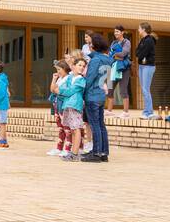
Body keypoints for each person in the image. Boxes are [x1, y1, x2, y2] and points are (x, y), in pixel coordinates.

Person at [82, 31, 112, 162]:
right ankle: (104, 153)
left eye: (89, 43)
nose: (88, 46)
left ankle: (96, 153)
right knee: (100, 125)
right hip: (101, 95)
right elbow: (109, 81)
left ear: (94, 46)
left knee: (95, 125)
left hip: (92, 96)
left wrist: (82, 94)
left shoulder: (95, 60)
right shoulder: (108, 60)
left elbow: (89, 79)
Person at [56, 55, 88, 161]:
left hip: (75, 106)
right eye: (79, 65)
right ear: (73, 66)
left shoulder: (81, 80)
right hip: (67, 105)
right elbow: (62, 88)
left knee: (76, 128)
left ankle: (75, 153)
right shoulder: (70, 78)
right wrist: (62, 91)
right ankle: (73, 152)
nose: (82, 67)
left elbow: (68, 91)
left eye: (83, 66)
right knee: (72, 129)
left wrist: (61, 91)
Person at [106, 26, 132, 115]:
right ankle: (109, 111)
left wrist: (114, 55)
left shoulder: (126, 42)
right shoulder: (114, 42)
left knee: (123, 90)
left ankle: (125, 112)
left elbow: (124, 53)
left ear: (122, 32)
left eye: (117, 31)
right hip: (112, 67)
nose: (115, 33)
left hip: (123, 68)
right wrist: (114, 55)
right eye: (115, 32)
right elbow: (110, 53)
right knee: (110, 88)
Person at [47, 59, 70, 156]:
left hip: (64, 105)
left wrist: (56, 90)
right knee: (60, 127)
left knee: (67, 128)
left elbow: (59, 91)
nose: (58, 71)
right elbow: (53, 90)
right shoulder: (60, 78)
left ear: (65, 68)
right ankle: (59, 148)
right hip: (57, 104)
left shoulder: (69, 78)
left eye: (59, 69)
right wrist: (54, 79)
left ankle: (68, 148)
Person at [135, 23, 157, 118]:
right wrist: (140, 53)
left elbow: (142, 53)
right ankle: (148, 111)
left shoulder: (149, 40)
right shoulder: (142, 40)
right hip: (141, 66)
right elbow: (137, 52)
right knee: (144, 89)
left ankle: (148, 112)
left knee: (145, 89)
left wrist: (140, 53)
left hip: (148, 66)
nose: (138, 29)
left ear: (144, 29)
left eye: (139, 28)